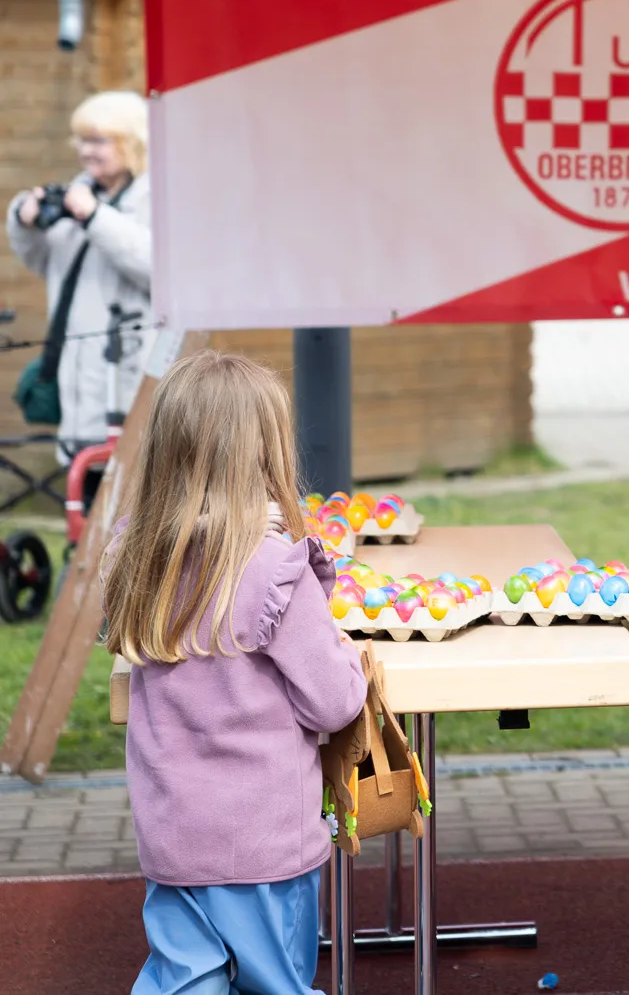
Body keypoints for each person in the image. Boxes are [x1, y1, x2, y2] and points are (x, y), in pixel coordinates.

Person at [103, 350, 367, 995]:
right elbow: (333, 703)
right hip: (265, 843)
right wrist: (347, 657)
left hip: (173, 837)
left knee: (183, 982)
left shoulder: (138, 555)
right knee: (276, 983)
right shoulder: (274, 567)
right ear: (266, 451)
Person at [7, 89, 153, 485]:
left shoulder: (154, 199)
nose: (86, 151)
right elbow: (42, 261)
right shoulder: (78, 194)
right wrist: (24, 221)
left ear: (133, 140)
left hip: (131, 369)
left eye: (99, 141)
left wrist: (94, 217)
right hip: (77, 374)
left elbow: (158, 267)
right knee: (85, 488)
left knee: (134, 482)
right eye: (82, 140)